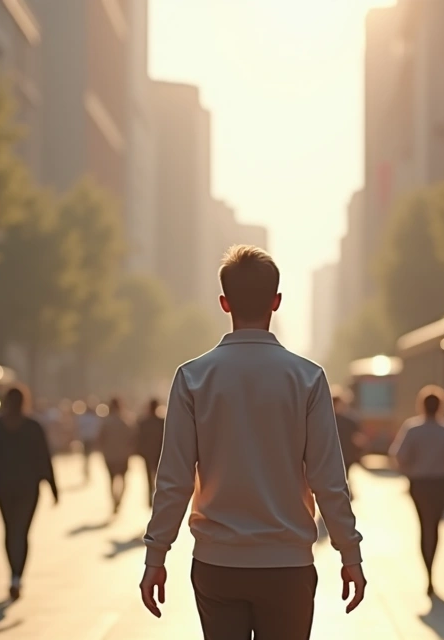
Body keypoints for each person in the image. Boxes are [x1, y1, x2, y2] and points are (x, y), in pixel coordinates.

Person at [141, 245, 365, 639]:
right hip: (288, 565)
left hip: (217, 563)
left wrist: (156, 554)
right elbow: (328, 479)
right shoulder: (308, 379)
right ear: (276, 303)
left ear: (223, 303)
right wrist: (350, 553)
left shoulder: (192, 378)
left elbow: (174, 479)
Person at [389, 385, 444, 597]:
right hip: (441, 483)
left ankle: (428, 573)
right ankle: (431, 568)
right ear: (441, 406)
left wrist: (410, 470)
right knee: (434, 526)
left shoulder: (412, 428)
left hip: (419, 483)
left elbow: (398, 455)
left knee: (424, 525)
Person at [0, 386, 58, 601]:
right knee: (22, 531)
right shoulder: (33, 426)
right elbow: (44, 457)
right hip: (28, 487)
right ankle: (17, 576)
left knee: (8, 529)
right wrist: (53, 487)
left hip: (4, 485)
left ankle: (12, 571)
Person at [99, 398, 134, 515]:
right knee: (123, 479)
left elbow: (100, 438)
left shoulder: (105, 422)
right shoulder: (125, 421)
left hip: (109, 455)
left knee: (111, 480)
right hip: (123, 455)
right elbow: (132, 438)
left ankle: (114, 500)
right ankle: (119, 499)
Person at [135, 399, 165, 507]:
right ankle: (157, 497)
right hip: (159, 452)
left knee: (148, 476)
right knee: (159, 477)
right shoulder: (162, 422)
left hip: (147, 453)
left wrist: (138, 450)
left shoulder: (143, 422)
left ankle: (150, 496)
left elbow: (138, 438)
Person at [333, 389, 363, 496]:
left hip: (333, 455)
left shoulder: (322, 419)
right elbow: (358, 440)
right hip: (346, 455)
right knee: (344, 475)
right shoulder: (350, 420)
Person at [77, 398, 102, 482]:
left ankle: (87, 469)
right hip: (90, 438)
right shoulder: (93, 418)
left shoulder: (82, 418)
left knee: (87, 456)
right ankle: (87, 470)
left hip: (86, 438)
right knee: (88, 456)